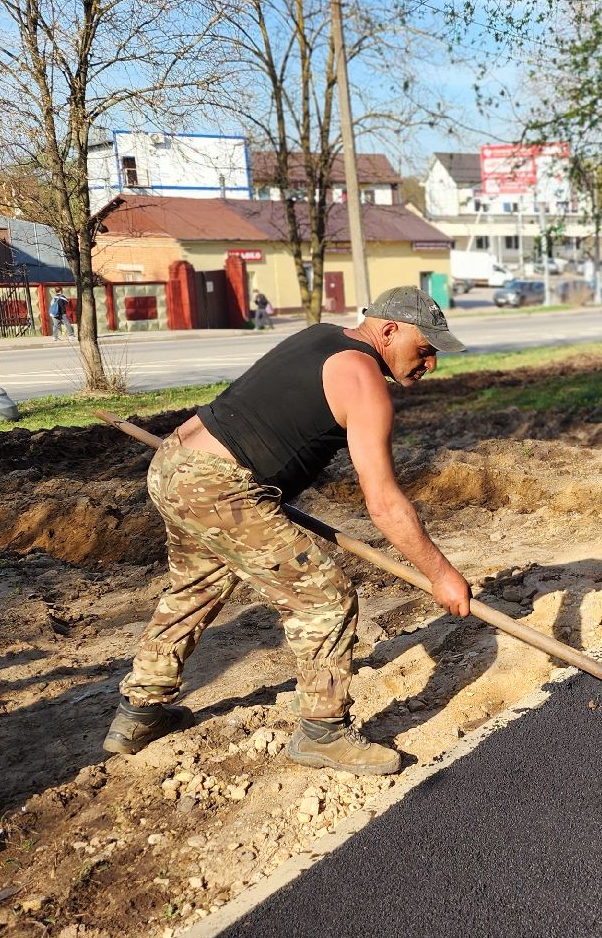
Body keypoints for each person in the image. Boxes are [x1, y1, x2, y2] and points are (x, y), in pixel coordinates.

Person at [103, 285, 473, 775]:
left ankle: (139, 713)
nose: (431, 364)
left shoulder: (320, 336)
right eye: (424, 350)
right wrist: (442, 575)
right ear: (389, 330)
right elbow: (384, 503)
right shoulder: (364, 380)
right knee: (325, 597)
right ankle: (324, 732)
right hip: (219, 487)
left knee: (195, 587)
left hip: (175, 462)